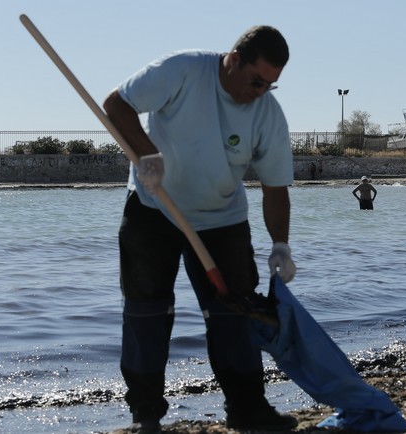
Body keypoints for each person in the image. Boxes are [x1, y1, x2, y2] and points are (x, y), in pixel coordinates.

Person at [102, 26, 298, 433]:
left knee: (234, 314)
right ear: (233, 59)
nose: (261, 92)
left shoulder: (268, 115)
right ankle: (146, 416)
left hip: (221, 219)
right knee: (146, 312)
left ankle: (247, 410)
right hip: (153, 208)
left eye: (271, 85)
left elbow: (275, 188)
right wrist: (147, 155)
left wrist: (281, 244)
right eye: (256, 80)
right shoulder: (184, 71)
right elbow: (116, 104)